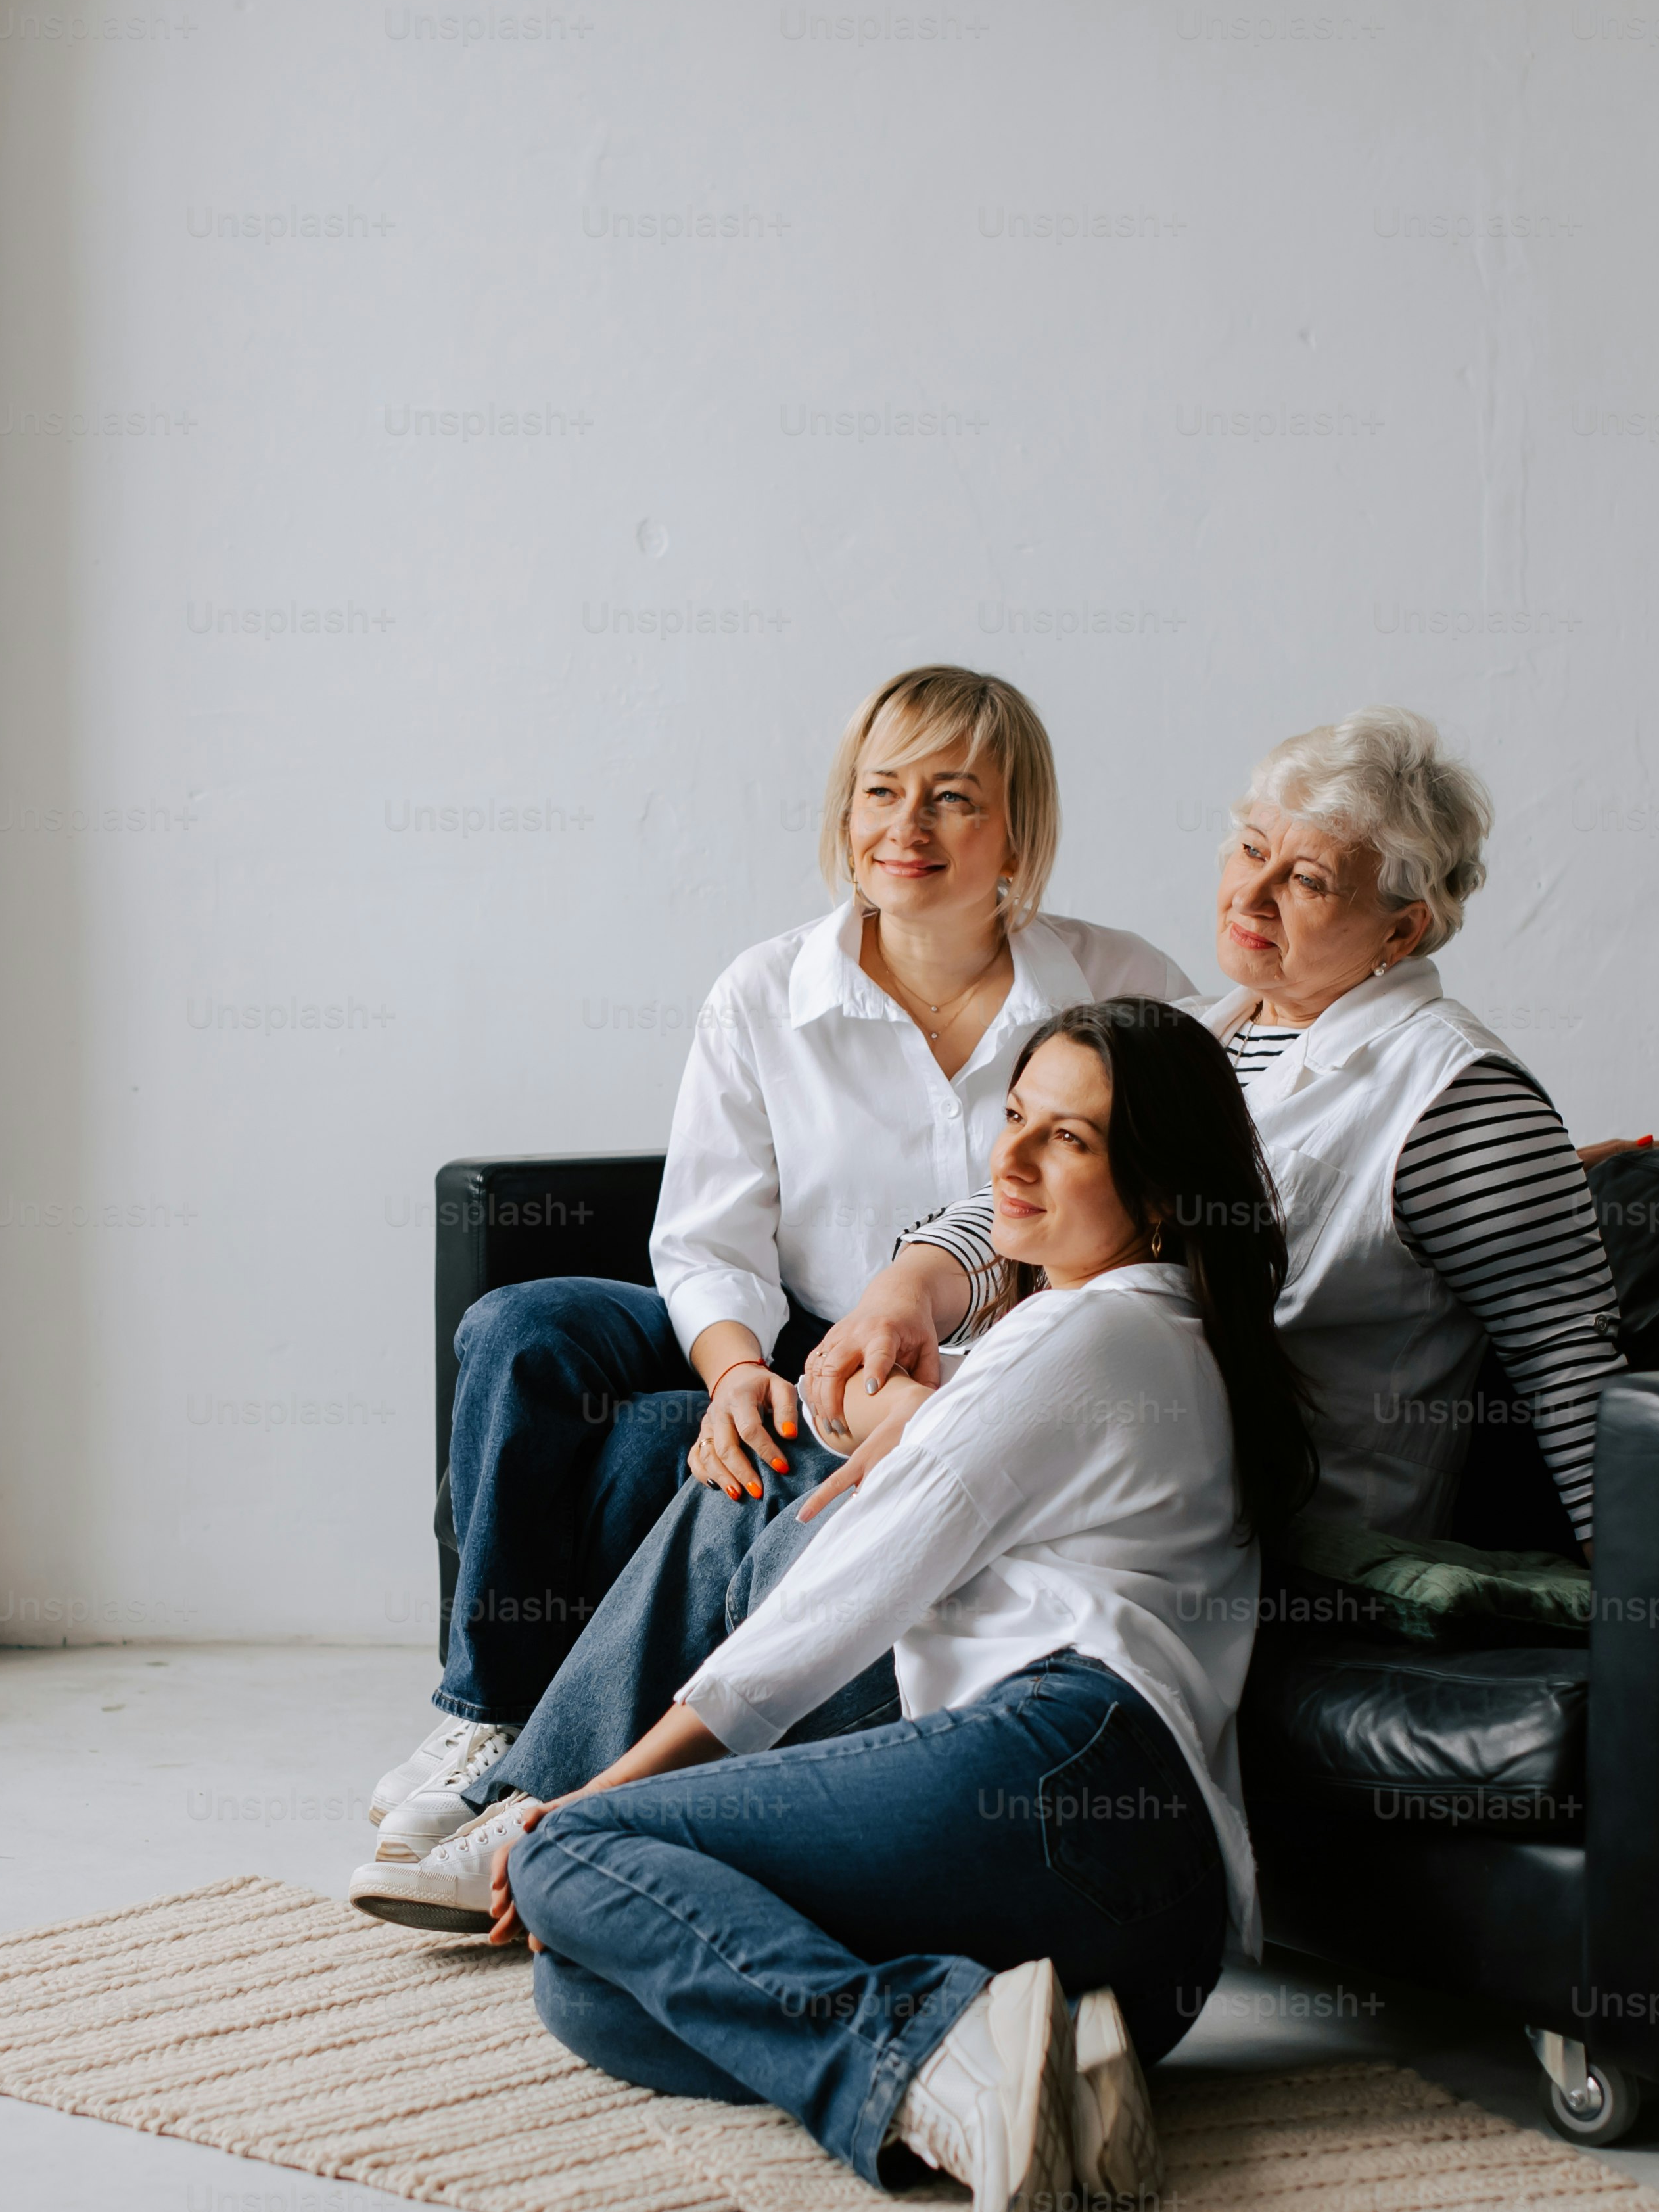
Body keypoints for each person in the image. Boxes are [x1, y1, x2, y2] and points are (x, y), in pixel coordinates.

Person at [348, 707, 1627, 1921]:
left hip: (1248, 1502)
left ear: (1404, 931)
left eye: (1307, 882)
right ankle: (547, 1802)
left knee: (794, 1472)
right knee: (732, 1449)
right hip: (1084, 1432)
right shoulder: (1216, 1025)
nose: (1248, 896)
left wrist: (1650, 1615)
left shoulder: (1459, 1100)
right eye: (1248, 848)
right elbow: (1028, 1196)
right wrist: (908, 1289)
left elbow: (1580, 1379)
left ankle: (543, 1811)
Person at [460, 1000, 1310, 2212]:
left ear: (1163, 1186)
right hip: (1144, 1937)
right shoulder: (1162, 1332)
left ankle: (917, 2068)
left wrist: (592, 1802)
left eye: (1067, 1139)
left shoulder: (1087, 1333)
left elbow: (829, 1607)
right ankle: (995, 2052)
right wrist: (919, 1406)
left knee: (574, 1863)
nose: (1010, 1162)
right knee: (587, 1991)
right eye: (1013, 1117)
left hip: (1068, 1769)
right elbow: (984, 1424)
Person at [371, 667, 1190, 1849]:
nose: (905, 830)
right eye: (880, 792)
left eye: (953, 798)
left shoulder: (1125, 987)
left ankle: (574, 1789)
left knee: (664, 1453)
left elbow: (1182, 1185)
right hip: (781, 1324)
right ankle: (487, 1712)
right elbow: (704, 1238)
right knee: (521, 1325)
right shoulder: (762, 990)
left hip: (985, 1367)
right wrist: (732, 1372)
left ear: (1019, 829)